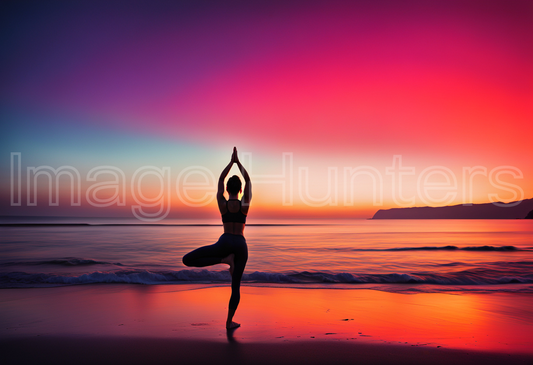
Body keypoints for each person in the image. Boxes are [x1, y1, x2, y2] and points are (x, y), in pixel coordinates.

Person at [182, 147, 251, 330]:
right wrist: (239, 163)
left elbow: (220, 179)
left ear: (227, 189)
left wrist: (231, 163)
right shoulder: (245, 205)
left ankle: (224, 259)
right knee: (235, 287)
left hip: (225, 241)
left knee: (187, 260)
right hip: (241, 245)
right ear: (241, 189)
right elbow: (249, 180)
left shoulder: (223, 204)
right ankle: (229, 322)